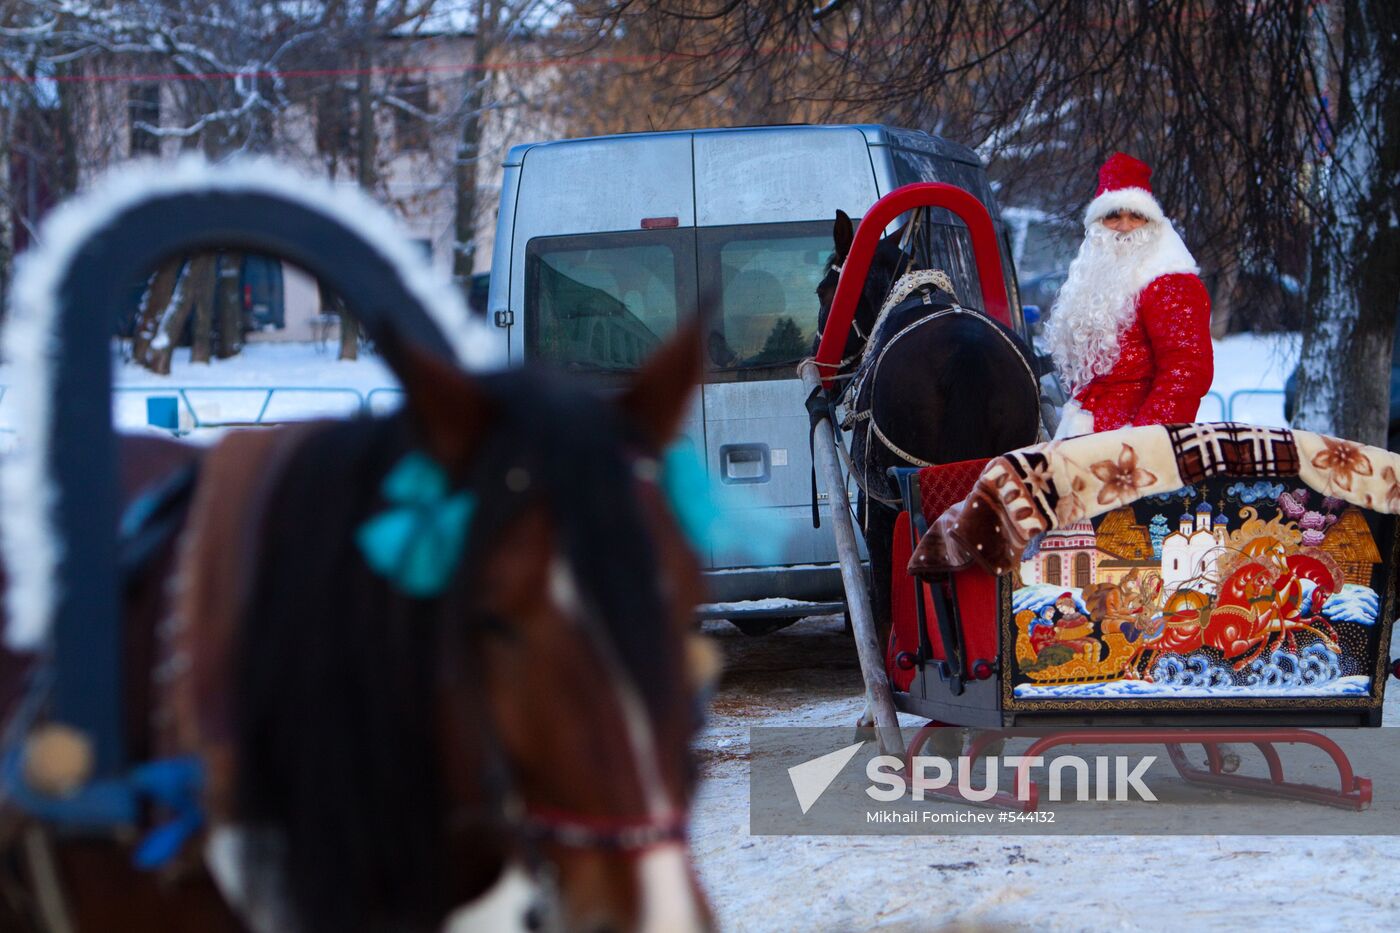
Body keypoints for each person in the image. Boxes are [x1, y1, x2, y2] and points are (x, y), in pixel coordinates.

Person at [1044, 153, 1213, 437]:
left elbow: (1186, 372)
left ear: (1151, 222)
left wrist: (1146, 444)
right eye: (1113, 216)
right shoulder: (1097, 276)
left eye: (1136, 216)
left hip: (1131, 447)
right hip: (1088, 436)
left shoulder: (1168, 281)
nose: (1124, 226)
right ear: (1097, 223)